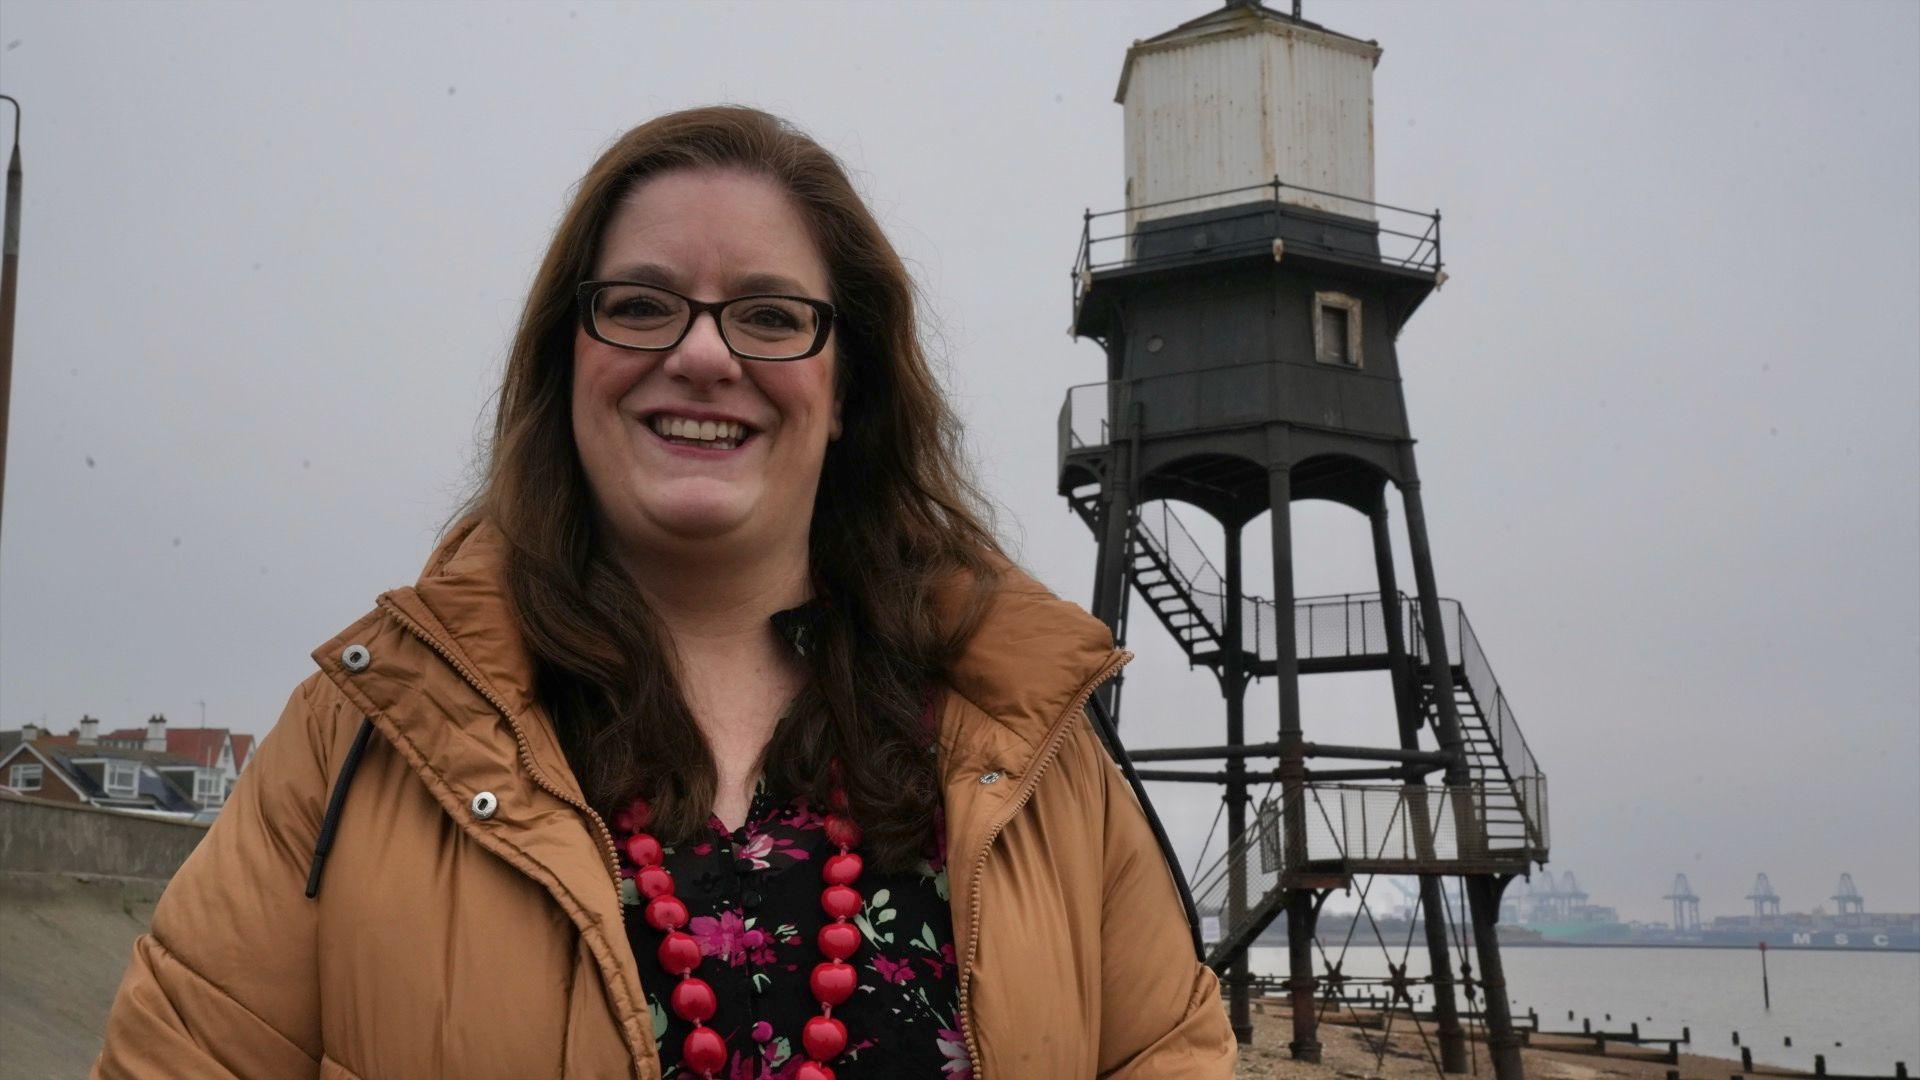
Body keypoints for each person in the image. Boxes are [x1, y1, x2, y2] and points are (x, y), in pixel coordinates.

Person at [96, 106, 1235, 1079]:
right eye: (639, 306)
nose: (702, 355)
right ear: (567, 361)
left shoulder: (1037, 750)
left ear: (847, 391)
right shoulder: (361, 740)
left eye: (772, 316)